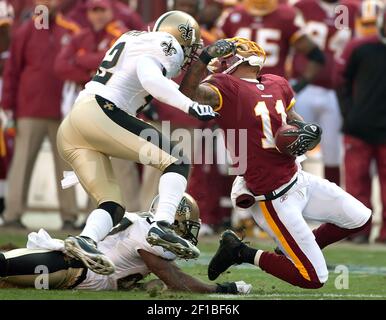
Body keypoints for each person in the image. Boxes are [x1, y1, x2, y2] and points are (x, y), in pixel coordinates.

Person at [179, 37, 372, 289]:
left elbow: (291, 118)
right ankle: (241, 253)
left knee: (360, 218)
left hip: (297, 177)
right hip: (272, 196)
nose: (219, 61)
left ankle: (287, 250)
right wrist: (203, 57)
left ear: (243, 59)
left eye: (225, 57)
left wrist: (306, 131)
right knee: (313, 278)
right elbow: (187, 93)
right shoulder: (224, 86)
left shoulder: (277, 83)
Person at [56, 10, 235, 275]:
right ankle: (161, 225)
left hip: (73, 126)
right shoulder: (167, 43)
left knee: (112, 205)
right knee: (177, 160)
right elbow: (149, 77)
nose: (187, 54)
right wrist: (190, 107)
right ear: (180, 36)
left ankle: (86, 240)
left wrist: (204, 58)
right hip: (102, 111)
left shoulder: (133, 37)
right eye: (190, 47)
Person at [0, 193, 251, 294]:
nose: (188, 231)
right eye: (187, 224)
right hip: (66, 267)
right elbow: (178, 283)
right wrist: (223, 289)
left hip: (74, 273)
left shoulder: (147, 226)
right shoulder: (150, 234)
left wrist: (140, 287)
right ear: (175, 219)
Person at [54, 0, 142, 218]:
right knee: (91, 161)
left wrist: (82, 59)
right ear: (88, 13)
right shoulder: (81, 35)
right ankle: (97, 213)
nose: (98, 15)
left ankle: (132, 213)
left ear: (110, 11)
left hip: (114, 105)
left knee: (121, 161)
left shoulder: (120, 33)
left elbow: (116, 65)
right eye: (94, 11)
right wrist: (89, 73)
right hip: (87, 104)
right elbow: (61, 66)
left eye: (102, 10)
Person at [0, 0, 80, 228]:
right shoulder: (25, 32)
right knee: (21, 163)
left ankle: (69, 216)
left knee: (66, 167)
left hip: (64, 112)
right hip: (30, 109)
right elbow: (12, 70)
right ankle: (12, 215)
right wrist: (8, 104)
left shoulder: (70, 30)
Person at [291, 0, 360, 186]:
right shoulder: (302, 6)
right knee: (296, 149)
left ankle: (333, 204)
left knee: (333, 151)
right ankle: (295, 197)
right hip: (303, 86)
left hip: (334, 90)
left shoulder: (351, 9)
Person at [335, 5, 386, 243]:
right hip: (360, 126)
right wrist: (349, 114)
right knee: (356, 183)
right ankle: (358, 230)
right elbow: (340, 81)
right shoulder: (361, 47)